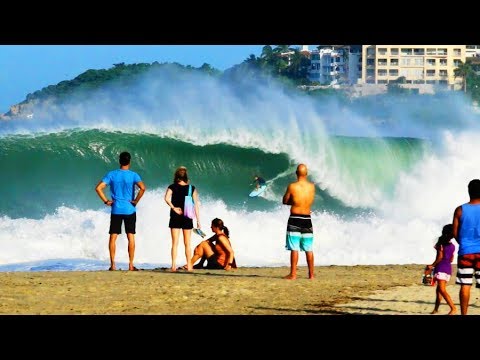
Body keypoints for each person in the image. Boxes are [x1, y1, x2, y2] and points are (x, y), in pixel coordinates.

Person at [95, 151, 146, 271]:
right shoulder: (134, 175)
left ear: (119, 161)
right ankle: (130, 264)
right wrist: (135, 201)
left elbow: (98, 188)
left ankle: (113, 265)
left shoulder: (112, 174)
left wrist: (106, 201)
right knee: (131, 236)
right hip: (130, 209)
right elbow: (143, 188)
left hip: (116, 209)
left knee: (113, 237)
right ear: (129, 161)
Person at [282, 163, 315, 280]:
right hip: (307, 218)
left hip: (295, 218)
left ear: (296, 173)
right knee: (309, 248)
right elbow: (309, 201)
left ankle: (293, 274)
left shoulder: (292, 186)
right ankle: (311, 275)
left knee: (294, 247)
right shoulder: (312, 187)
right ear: (306, 174)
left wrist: (293, 202)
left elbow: (285, 201)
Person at [164, 166, 201, 272]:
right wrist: (198, 220)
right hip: (187, 215)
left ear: (176, 177)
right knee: (187, 243)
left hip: (176, 215)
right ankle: (189, 265)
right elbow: (196, 205)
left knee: (174, 242)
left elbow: (166, 198)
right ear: (186, 177)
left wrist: (173, 207)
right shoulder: (191, 188)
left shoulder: (172, 187)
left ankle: (173, 266)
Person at [452, 178, 480, 315]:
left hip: (465, 251)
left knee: (465, 285)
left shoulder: (460, 210)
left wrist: (464, 244)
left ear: (469, 191)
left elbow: (455, 233)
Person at [424, 224, 457, 315]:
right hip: (448, 269)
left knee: (441, 290)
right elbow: (451, 259)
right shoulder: (453, 246)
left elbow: (439, 257)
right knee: (439, 290)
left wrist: (432, 265)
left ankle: (453, 308)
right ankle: (436, 309)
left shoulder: (440, 244)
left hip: (441, 267)